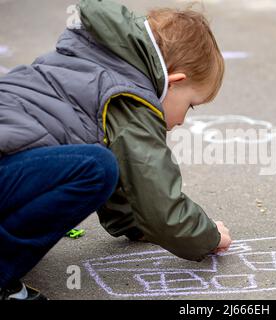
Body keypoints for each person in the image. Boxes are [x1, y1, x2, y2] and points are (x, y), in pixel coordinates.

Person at [0, 0, 231, 300]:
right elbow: (158, 203)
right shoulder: (131, 96)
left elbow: (129, 179)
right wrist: (206, 237)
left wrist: (134, 225)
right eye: (190, 105)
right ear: (174, 82)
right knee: (96, 168)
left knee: (95, 163)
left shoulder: (93, 56)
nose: (183, 120)